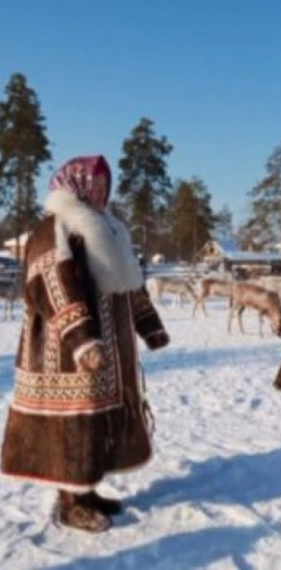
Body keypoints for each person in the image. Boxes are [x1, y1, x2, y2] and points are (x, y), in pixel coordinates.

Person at [1, 155, 170, 533]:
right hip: (65, 351)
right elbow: (52, 282)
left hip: (109, 350)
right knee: (73, 421)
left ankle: (87, 489)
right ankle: (69, 501)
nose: (98, 190)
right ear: (73, 184)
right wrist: (80, 337)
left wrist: (149, 325)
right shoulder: (56, 227)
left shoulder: (110, 228)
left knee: (96, 420)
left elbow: (130, 286)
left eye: (103, 184)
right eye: (91, 183)